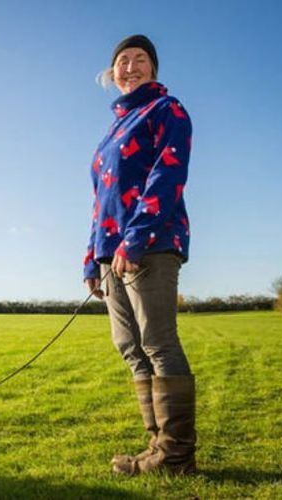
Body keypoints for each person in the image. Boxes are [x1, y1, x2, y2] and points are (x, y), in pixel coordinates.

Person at [83, 34, 196, 475]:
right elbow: (101, 200)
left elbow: (169, 175)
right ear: (112, 74)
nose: (130, 67)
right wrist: (92, 258)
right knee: (130, 347)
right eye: (123, 61)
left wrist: (135, 238)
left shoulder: (168, 111)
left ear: (153, 69)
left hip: (151, 244)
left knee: (159, 343)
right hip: (112, 255)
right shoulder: (112, 127)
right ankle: (157, 448)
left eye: (140, 60)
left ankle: (177, 456)